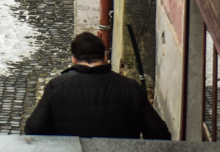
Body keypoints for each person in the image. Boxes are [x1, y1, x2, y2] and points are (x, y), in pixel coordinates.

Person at [24, 32, 172, 139]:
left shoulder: (56, 87)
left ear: (74, 60)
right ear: (105, 58)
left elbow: (33, 129)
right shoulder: (131, 88)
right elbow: (159, 133)